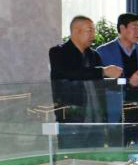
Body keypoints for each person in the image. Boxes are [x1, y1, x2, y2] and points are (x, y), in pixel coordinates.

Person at [49, 16, 122, 148]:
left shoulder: (94, 56)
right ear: (76, 31)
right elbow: (72, 73)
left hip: (97, 123)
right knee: (73, 158)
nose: (93, 35)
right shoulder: (58, 53)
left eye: (94, 31)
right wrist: (103, 71)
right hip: (72, 122)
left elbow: (101, 84)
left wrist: (122, 79)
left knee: (96, 159)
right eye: (90, 30)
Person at [97, 13, 138, 147]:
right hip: (115, 114)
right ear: (122, 28)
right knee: (117, 154)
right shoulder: (103, 52)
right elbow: (101, 85)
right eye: (134, 27)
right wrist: (128, 82)